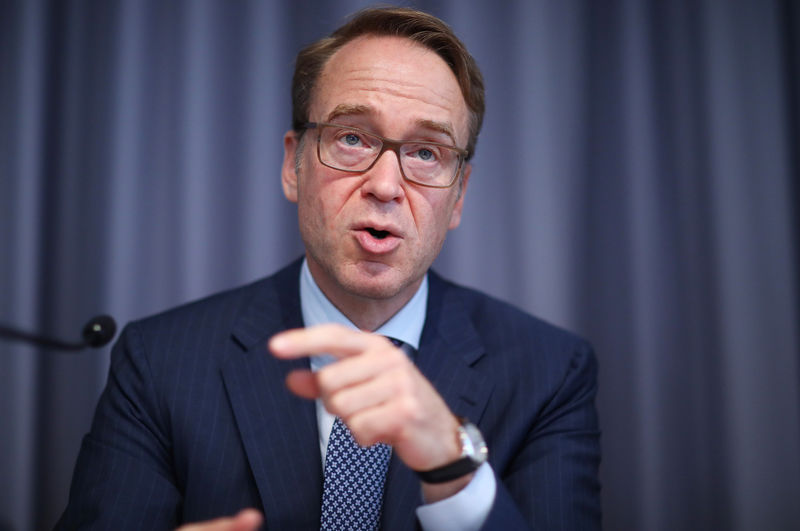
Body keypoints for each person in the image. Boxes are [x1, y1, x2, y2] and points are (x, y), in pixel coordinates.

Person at [57, 6, 600, 530]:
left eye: (427, 153)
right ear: (293, 165)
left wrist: (454, 468)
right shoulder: (161, 362)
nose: (385, 186)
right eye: (352, 138)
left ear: (458, 197)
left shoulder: (549, 372)